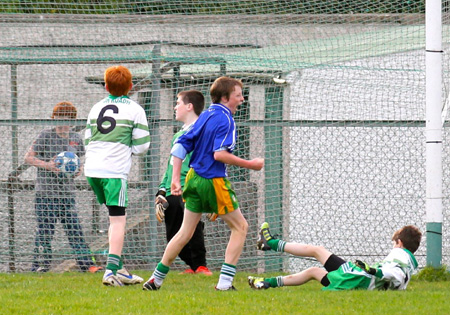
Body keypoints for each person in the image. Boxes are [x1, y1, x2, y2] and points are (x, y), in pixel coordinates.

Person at [143, 76, 264, 291]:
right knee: (240, 227)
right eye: (238, 95)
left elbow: (180, 145)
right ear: (226, 98)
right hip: (212, 180)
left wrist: (175, 179)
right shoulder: (226, 119)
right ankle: (225, 283)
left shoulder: (205, 115)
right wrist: (250, 164)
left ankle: (156, 279)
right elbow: (219, 155)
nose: (242, 99)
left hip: (192, 179)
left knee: (184, 232)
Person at [84, 65, 150, 287]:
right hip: (114, 171)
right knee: (118, 220)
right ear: (131, 86)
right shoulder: (135, 109)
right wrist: (125, 148)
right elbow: (142, 146)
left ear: (106, 86)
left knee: (113, 218)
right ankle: (110, 271)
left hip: (92, 169)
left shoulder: (95, 108)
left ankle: (120, 268)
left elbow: (87, 139)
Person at [25, 101, 102, 273]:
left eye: (66, 117)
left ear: (72, 120)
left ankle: (87, 265)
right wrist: (48, 165)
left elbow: (80, 161)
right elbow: (28, 158)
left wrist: (78, 170)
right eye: (58, 117)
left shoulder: (75, 139)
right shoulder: (45, 136)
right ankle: (40, 266)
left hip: (67, 195)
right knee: (44, 232)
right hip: (46, 195)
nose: (62, 121)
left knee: (75, 230)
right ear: (54, 118)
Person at [248, 222, 422, 291]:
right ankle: (266, 283)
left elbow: (394, 274)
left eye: (394, 243)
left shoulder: (400, 254)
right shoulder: (408, 262)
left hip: (357, 278)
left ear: (399, 242)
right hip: (358, 281)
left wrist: (372, 270)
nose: (393, 246)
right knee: (313, 272)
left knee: (316, 250)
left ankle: (270, 243)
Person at [155, 90, 212, 276]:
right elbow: (171, 164)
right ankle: (192, 265)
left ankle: (201, 265)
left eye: (178, 103)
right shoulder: (177, 135)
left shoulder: (201, 132)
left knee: (193, 227)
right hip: (173, 189)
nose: (175, 107)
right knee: (173, 232)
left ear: (189, 107)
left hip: (189, 186)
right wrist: (162, 189)